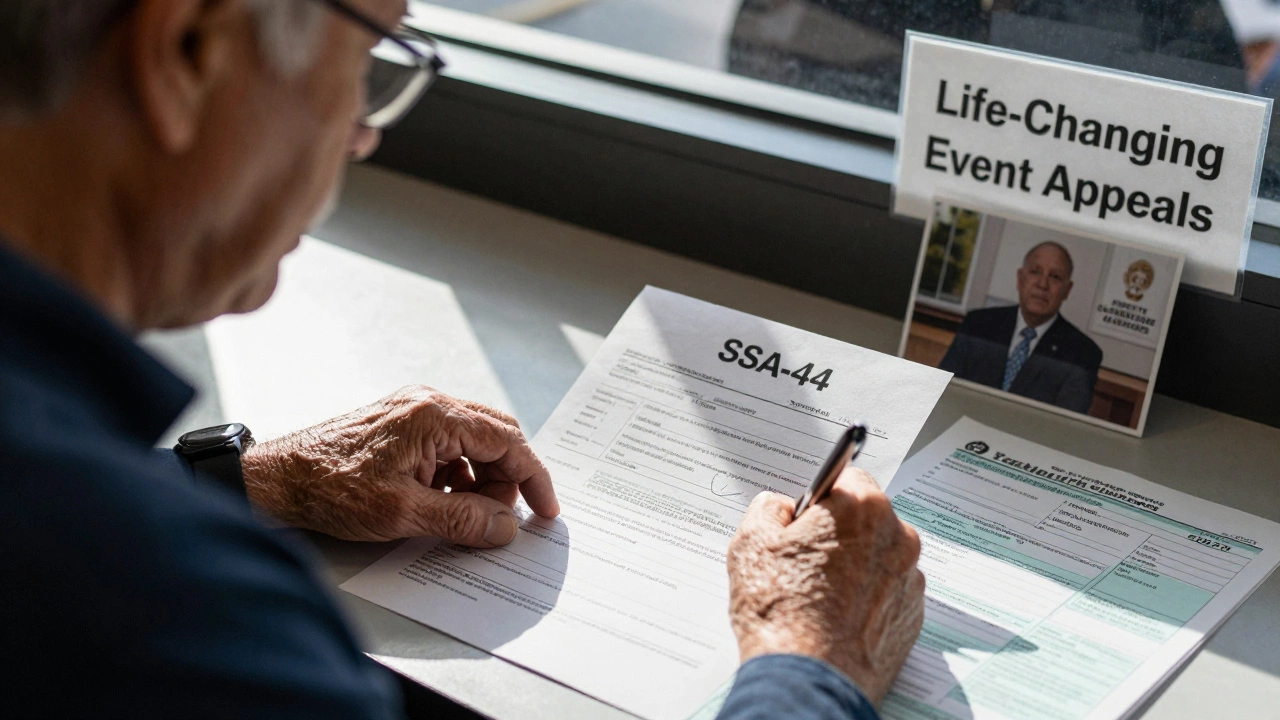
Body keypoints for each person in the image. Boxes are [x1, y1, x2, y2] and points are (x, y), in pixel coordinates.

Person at [0, 1, 925, 718]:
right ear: (187, 52)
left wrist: (251, 481)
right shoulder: (170, 620)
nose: (361, 135)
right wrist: (812, 659)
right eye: (364, 61)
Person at [939, 241, 1103, 414]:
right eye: (1035, 272)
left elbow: (1063, 425)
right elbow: (943, 393)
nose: (1042, 284)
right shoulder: (978, 324)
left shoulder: (1083, 354)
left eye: (1055, 277)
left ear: (1067, 290)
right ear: (1020, 279)